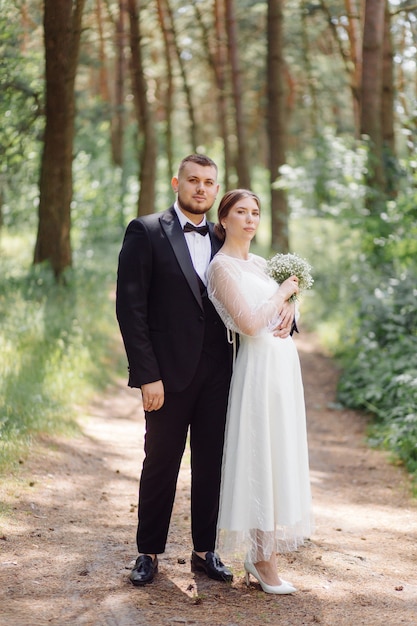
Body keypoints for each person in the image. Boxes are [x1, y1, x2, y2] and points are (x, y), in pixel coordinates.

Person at [116, 154, 294, 586]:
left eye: (208, 183)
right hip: (167, 374)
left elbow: (257, 293)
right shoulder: (147, 231)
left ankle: (204, 550)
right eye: (192, 180)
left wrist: (291, 310)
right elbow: (131, 308)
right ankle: (149, 552)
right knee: (160, 461)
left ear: (216, 192)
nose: (200, 188)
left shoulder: (227, 236)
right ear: (177, 182)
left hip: (223, 375)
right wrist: (146, 375)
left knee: (213, 462)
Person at [207, 189, 313, 595]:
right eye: (241, 212)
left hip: (283, 368)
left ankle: (265, 553)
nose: (250, 219)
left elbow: (280, 312)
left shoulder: (262, 263)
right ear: (225, 218)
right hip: (257, 368)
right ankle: (259, 556)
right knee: (260, 455)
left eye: (255, 212)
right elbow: (250, 323)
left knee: (279, 454)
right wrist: (281, 295)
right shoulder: (222, 268)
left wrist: (291, 310)